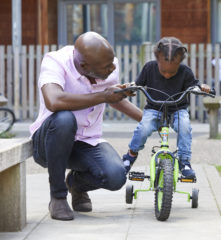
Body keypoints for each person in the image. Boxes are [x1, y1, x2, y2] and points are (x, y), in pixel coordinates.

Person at [29, 32, 142, 221]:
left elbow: (113, 98)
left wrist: (146, 119)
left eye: (112, 62)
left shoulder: (107, 63)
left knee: (116, 176)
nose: (113, 67)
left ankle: (76, 185)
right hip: (50, 141)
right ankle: (57, 196)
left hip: (86, 141)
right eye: (107, 67)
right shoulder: (55, 62)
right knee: (64, 119)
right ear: (84, 66)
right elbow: (53, 100)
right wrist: (104, 96)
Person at [122, 37, 210, 179]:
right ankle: (130, 156)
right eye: (164, 71)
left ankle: (184, 161)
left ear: (179, 63)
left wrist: (202, 87)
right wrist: (130, 86)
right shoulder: (149, 67)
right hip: (154, 108)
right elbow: (137, 83)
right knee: (143, 128)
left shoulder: (185, 71)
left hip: (178, 109)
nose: (167, 74)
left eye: (172, 72)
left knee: (185, 127)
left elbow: (194, 85)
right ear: (157, 59)